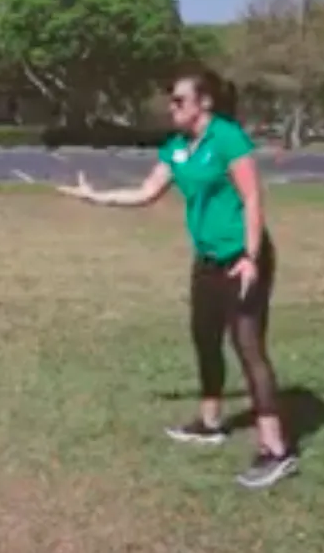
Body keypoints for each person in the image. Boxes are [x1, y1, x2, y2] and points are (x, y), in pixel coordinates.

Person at [54, 68, 298, 489]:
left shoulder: (227, 137)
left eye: (179, 101)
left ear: (204, 103)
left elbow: (252, 196)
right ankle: (210, 424)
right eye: (170, 101)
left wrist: (251, 257)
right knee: (205, 338)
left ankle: (276, 449)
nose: (172, 108)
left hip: (242, 258)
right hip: (207, 260)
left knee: (248, 347)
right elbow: (146, 193)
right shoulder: (177, 148)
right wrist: (96, 197)